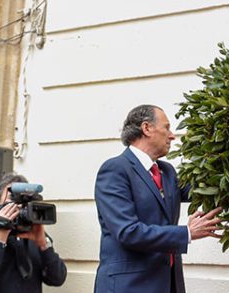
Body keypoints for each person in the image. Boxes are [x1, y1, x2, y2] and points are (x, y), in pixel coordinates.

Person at [94, 104, 222, 293]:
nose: (172, 135)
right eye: (167, 127)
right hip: (129, 287)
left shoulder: (167, 171)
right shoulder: (115, 170)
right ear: (146, 128)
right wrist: (186, 233)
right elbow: (128, 232)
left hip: (168, 284)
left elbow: (203, 189)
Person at [0, 173, 67, 293]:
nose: (18, 206)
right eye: (13, 199)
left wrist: (44, 245)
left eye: (24, 201)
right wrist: (0, 236)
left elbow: (57, 279)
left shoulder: (33, 236)